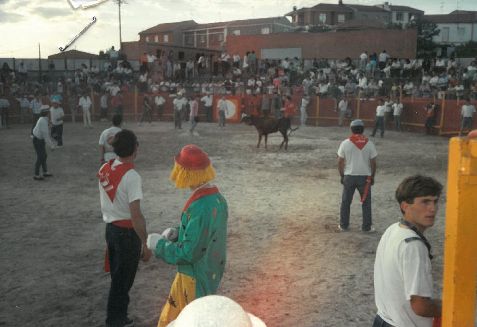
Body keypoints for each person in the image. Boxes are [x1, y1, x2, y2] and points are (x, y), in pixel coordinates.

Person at [146, 144, 228, 327]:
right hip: (209, 271)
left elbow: (190, 252)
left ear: (185, 172)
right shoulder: (217, 199)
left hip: (193, 276)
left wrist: (159, 245)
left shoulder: (200, 206)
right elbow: (204, 233)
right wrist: (179, 232)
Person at [97, 129, 152, 327]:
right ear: (135, 148)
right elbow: (136, 215)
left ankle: (118, 318)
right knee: (123, 282)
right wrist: (145, 242)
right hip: (127, 234)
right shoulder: (132, 176)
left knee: (118, 278)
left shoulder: (106, 167)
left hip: (111, 230)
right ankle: (116, 320)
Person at [373, 175, 443, 327]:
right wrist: (451, 306)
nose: (433, 208)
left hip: (383, 320)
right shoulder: (413, 246)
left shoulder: (393, 230)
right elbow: (420, 306)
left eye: (435, 201)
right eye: (425, 202)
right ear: (405, 206)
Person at [337, 119, 377, 232]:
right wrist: (372, 176)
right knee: (366, 203)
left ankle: (344, 225)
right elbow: (373, 162)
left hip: (349, 176)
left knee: (346, 202)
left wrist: (342, 175)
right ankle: (366, 227)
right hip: (365, 177)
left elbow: (340, 161)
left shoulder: (345, 143)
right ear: (363, 129)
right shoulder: (369, 143)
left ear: (351, 129)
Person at [32, 105, 55, 180]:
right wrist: (51, 146)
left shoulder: (44, 119)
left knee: (44, 155)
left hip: (39, 139)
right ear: (47, 113)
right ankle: (36, 174)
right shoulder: (43, 121)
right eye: (49, 112)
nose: (50, 113)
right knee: (41, 156)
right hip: (38, 140)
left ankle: (45, 172)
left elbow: (46, 133)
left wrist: (50, 126)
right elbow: (46, 136)